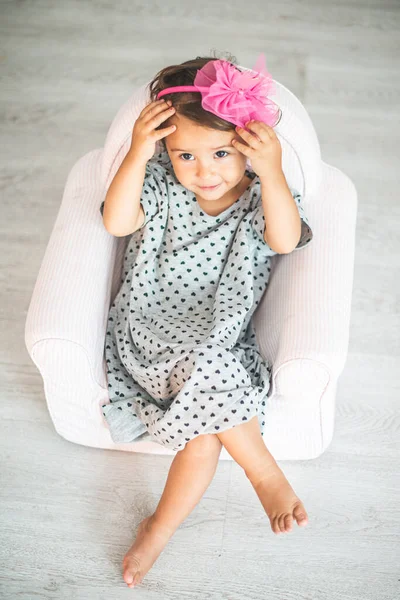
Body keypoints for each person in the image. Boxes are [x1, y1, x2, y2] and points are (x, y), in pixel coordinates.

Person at [100, 52, 314, 589]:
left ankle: (158, 529)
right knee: (210, 377)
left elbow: (286, 240)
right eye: (185, 155)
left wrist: (273, 171)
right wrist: (136, 151)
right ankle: (263, 472)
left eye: (221, 152)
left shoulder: (263, 195)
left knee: (205, 435)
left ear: (247, 144)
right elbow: (116, 220)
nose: (205, 171)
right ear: (166, 153)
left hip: (218, 341)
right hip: (150, 333)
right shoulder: (160, 184)